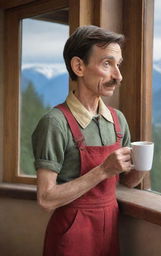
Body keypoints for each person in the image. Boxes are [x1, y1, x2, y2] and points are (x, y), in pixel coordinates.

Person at [32, 25, 146, 256]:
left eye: (118, 65)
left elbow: (129, 182)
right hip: (72, 233)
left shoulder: (117, 120)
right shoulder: (55, 123)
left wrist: (143, 164)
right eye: (107, 64)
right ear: (79, 67)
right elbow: (45, 199)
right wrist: (103, 170)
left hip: (109, 228)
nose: (118, 75)